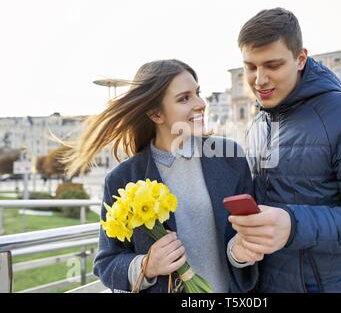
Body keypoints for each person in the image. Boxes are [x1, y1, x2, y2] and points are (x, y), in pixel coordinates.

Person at [227, 8, 341, 293]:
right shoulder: (257, 124)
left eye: (272, 65)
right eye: (250, 66)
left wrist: (294, 225)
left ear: (300, 59)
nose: (259, 79)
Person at [63, 59, 258, 293]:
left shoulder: (230, 157)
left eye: (197, 93)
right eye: (184, 98)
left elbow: (247, 237)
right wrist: (147, 265)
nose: (200, 104)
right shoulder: (123, 179)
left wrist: (240, 253)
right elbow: (107, 263)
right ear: (155, 114)